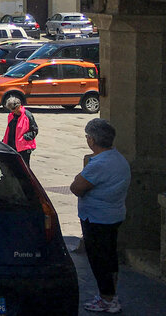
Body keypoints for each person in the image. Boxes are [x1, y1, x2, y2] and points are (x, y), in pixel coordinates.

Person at [70, 118, 131, 314]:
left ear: (92, 140)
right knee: (109, 257)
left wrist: (80, 175)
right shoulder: (118, 159)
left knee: (100, 260)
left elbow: (77, 188)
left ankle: (107, 299)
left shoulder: (99, 164)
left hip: (97, 218)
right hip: (113, 214)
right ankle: (110, 295)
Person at [1, 97, 37, 166]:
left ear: (18, 106)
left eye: (13, 109)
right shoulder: (11, 116)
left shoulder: (27, 115)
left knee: (23, 167)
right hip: (11, 146)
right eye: (10, 109)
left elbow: (34, 130)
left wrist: (25, 137)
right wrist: (4, 141)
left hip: (23, 148)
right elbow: (9, 130)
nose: (12, 111)